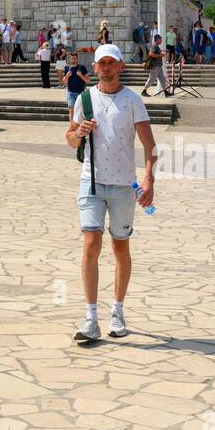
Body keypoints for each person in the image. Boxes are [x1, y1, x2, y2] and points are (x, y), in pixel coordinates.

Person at [65, 44, 156, 342]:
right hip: (91, 183)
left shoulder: (132, 101)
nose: (105, 67)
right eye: (101, 62)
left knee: (120, 248)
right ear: (95, 67)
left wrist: (148, 180)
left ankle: (117, 310)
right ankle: (90, 316)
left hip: (122, 187)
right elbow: (70, 137)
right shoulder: (85, 99)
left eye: (111, 63)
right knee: (91, 244)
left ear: (121, 67)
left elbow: (149, 145)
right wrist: (78, 134)